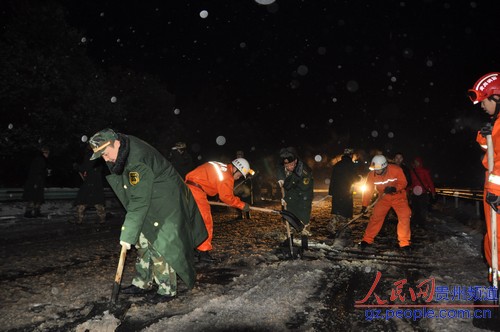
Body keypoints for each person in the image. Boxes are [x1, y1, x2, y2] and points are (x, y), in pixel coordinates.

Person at [88, 128, 208, 304]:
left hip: (166, 200)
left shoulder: (137, 161)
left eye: (106, 154)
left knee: (160, 242)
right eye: (102, 156)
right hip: (150, 194)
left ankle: (166, 289)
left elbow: (138, 201)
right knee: (143, 240)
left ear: (117, 143)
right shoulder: (124, 147)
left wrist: (126, 233)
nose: (106, 159)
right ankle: (142, 283)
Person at [185, 158, 252, 262]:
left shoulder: (222, 167)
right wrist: (242, 205)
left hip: (187, 188)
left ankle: (194, 248)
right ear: (236, 169)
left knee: (192, 221)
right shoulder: (227, 176)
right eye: (239, 175)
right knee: (206, 222)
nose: (238, 178)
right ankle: (203, 252)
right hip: (196, 191)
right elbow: (226, 197)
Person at [468, 72, 500, 280]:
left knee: (499, 239)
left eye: (484, 100)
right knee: (492, 238)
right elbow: (490, 150)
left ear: (496, 98)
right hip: (492, 190)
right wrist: (484, 135)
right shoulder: (496, 122)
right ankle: (494, 278)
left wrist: (497, 192)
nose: (481, 105)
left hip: (497, 191)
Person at [358, 155, 412, 253]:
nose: (376, 172)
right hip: (383, 198)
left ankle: (404, 243)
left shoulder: (396, 169)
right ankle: (367, 239)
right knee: (376, 217)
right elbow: (368, 190)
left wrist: (394, 188)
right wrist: (364, 205)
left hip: (398, 197)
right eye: (375, 169)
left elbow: (404, 182)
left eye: (378, 170)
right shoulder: (371, 174)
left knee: (405, 216)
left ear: (385, 167)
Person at [277, 147, 314, 233]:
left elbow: (302, 192)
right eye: (287, 166)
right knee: (288, 218)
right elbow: (279, 167)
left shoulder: (304, 173)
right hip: (291, 197)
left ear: (296, 161)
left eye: (291, 165)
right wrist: (281, 178)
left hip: (303, 199)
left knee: (303, 222)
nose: (289, 167)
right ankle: (289, 238)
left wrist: (286, 198)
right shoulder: (285, 165)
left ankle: (304, 242)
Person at [71, 147, 106, 224]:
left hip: (90, 181)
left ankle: (79, 219)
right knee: (97, 201)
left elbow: (86, 167)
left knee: (83, 200)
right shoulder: (99, 156)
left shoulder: (91, 155)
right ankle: (102, 218)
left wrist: (78, 167)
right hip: (96, 182)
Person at [328, 149, 359, 220]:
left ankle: (332, 224)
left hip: (336, 192)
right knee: (345, 211)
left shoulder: (337, 165)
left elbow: (333, 179)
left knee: (337, 210)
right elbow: (354, 178)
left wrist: (331, 192)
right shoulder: (351, 165)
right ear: (351, 155)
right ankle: (344, 227)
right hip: (346, 192)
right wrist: (359, 178)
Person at [23, 146, 51, 218]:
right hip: (36, 181)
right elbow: (37, 172)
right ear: (44, 153)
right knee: (34, 197)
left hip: (38, 181)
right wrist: (36, 182)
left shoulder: (41, 160)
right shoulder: (40, 160)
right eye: (47, 153)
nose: (48, 155)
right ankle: (29, 212)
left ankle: (36, 211)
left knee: (38, 197)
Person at [409, 157, 436, 229]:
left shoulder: (424, 171)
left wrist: (433, 192)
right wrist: (408, 190)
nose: (416, 163)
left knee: (422, 209)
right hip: (415, 194)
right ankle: (415, 223)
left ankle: (422, 224)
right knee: (415, 209)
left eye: (417, 161)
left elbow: (430, 182)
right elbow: (412, 183)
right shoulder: (412, 171)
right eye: (415, 162)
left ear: (420, 162)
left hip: (423, 193)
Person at [233, 150, 253, 220]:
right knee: (237, 199)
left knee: (246, 199)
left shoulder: (245, 163)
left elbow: (251, 171)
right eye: (238, 154)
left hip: (245, 184)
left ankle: (247, 214)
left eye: (240, 154)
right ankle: (240, 215)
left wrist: (250, 175)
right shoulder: (234, 164)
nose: (239, 155)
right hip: (237, 185)